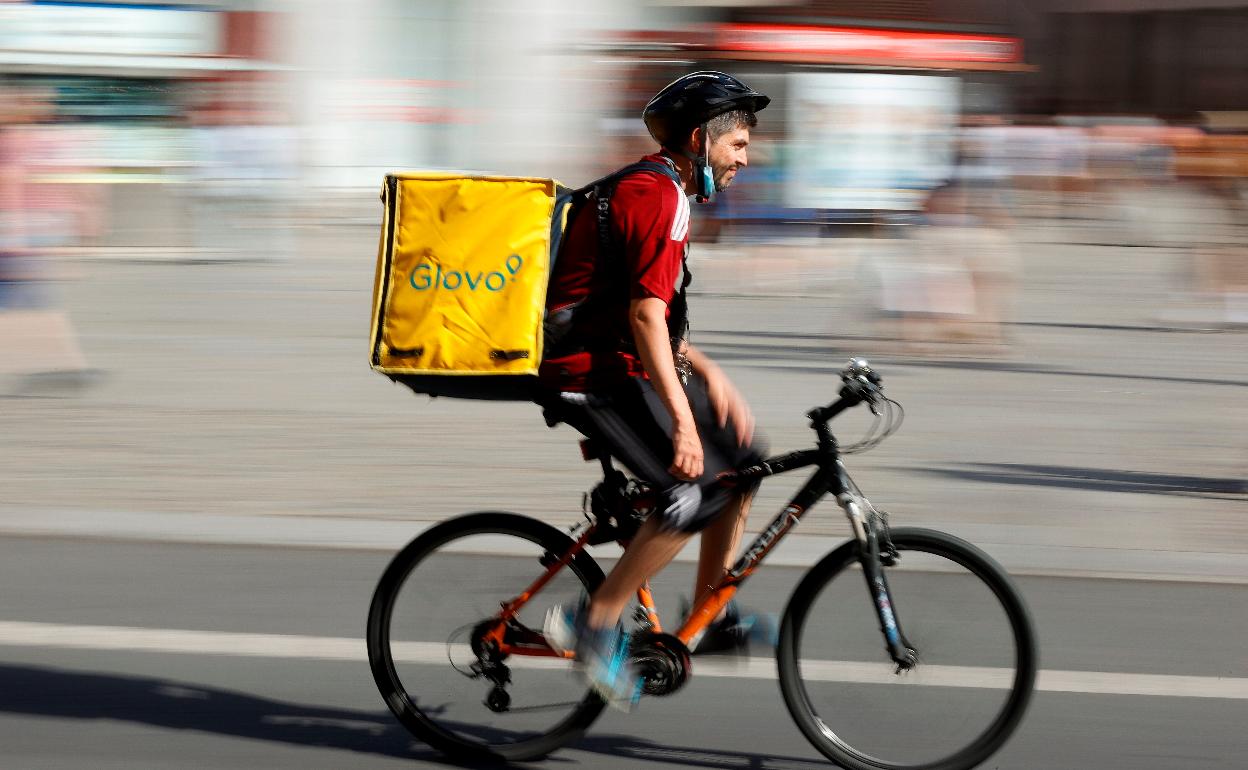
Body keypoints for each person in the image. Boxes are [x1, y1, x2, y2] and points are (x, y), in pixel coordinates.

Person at [537, 72, 770, 706]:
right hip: (591, 373)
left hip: (625, 360)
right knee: (689, 496)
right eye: (739, 145)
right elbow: (643, 317)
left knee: (745, 465)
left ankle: (709, 612)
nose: (747, 160)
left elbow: (646, 310)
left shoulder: (659, 188)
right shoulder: (658, 197)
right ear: (701, 140)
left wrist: (709, 373)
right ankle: (596, 622)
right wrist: (685, 424)